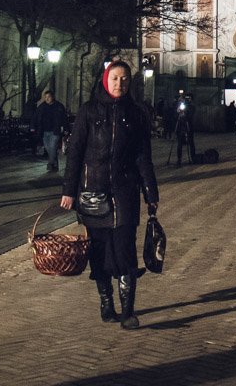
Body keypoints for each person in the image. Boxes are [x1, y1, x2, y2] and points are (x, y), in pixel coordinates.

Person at [60, 61, 159, 329]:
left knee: (126, 250)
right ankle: (106, 301)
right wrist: (69, 190)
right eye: (115, 78)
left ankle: (128, 312)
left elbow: (143, 157)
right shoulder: (89, 112)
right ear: (106, 80)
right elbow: (75, 153)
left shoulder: (136, 114)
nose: (120, 84)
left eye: (124, 79)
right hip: (94, 193)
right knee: (100, 252)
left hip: (125, 192)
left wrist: (151, 192)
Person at [36, 90, 68, 173]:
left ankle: (50, 164)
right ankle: (55, 164)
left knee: (53, 147)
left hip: (55, 131)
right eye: (45, 97)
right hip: (44, 131)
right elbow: (36, 117)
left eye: (48, 97)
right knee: (48, 148)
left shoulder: (59, 106)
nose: (47, 99)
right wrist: (33, 126)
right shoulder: (41, 107)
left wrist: (66, 129)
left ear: (52, 97)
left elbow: (64, 118)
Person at [175, 95, 196, 167]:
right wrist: (179, 112)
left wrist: (185, 113)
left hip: (188, 126)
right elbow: (175, 115)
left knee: (191, 142)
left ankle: (193, 158)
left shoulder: (191, 106)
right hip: (180, 126)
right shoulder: (179, 106)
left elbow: (190, 115)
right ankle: (179, 159)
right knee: (179, 143)